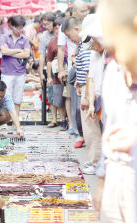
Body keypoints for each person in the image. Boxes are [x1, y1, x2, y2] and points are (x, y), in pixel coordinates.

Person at [91, 0, 137, 222]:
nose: (107, 48)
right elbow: (108, 132)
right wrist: (102, 183)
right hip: (115, 176)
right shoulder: (113, 73)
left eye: (113, 40)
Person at [57, 0, 89, 137]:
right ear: (73, 11)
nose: (85, 13)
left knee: (82, 104)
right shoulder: (67, 28)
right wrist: (61, 69)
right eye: (82, 11)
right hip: (74, 68)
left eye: (86, 10)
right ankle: (77, 131)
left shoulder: (88, 28)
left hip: (84, 71)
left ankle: (81, 133)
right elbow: (60, 49)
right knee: (74, 101)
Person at [0, 15, 30, 118]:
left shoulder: (25, 39)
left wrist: (9, 52)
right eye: (17, 27)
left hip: (20, 73)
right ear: (11, 26)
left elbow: (26, 54)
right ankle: (6, 121)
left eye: (21, 27)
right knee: (6, 99)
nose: (19, 30)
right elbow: (3, 51)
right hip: (6, 72)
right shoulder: (4, 37)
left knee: (17, 100)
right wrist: (18, 50)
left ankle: (15, 122)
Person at [46, 17, 67, 130]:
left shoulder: (70, 40)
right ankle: (63, 120)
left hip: (68, 73)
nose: (58, 29)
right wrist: (49, 76)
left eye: (60, 26)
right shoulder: (52, 42)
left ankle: (67, 120)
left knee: (68, 99)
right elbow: (48, 60)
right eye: (56, 27)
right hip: (56, 75)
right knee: (58, 99)